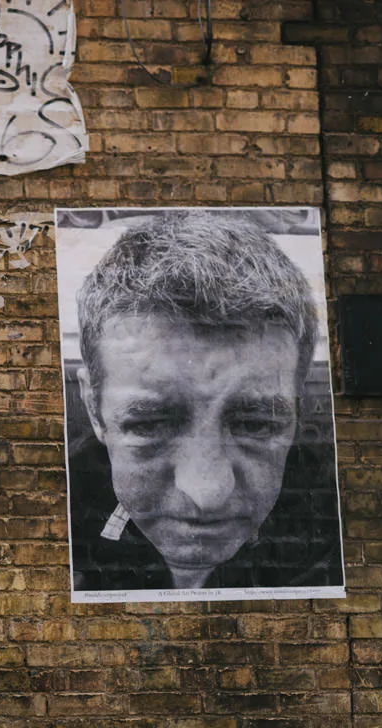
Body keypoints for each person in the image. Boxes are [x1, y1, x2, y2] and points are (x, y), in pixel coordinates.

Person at [67, 209, 343, 593]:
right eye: (149, 425)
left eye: (256, 424)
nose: (207, 494)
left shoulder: (334, 530)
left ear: (297, 409)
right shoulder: (57, 515)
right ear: (94, 408)